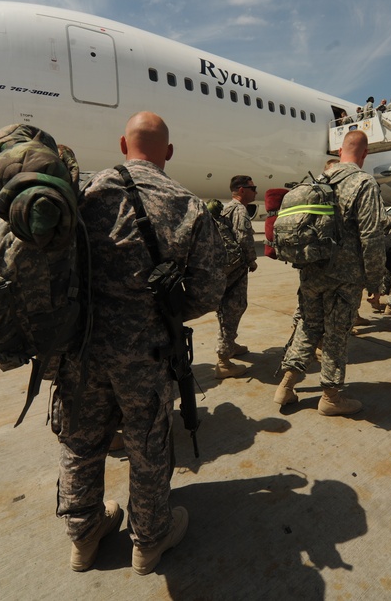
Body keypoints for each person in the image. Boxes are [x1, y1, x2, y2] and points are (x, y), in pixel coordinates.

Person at [55, 112, 225, 575]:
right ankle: (149, 542)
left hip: (81, 352)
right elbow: (210, 290)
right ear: (168, 153)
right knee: (148, 445)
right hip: (146, 355)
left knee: (81, 442)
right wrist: (164, 314)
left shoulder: (83, 194)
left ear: (122, 144)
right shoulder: (187, 204)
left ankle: (83, 536)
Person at [273, 131, 386, 415]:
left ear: (338, 151)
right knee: (336, 334)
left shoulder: (319, 180)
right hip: (344, 276)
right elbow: (371, 236)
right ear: (365, 154)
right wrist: (375, 281)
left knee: (309, 326)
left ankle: (286, 386)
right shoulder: (363, 182)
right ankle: (331, 398)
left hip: (311, 270)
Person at [215, 175, 259, 378]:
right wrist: (252, 260)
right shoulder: (240, 210)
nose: (255, 192)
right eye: (253, 188)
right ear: (242, 190)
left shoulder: (227, 208)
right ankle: (223, 361)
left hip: (225, 267)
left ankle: (230, 345)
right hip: (236, 268)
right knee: (234, 307)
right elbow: (244, 238)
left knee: (227, 306)